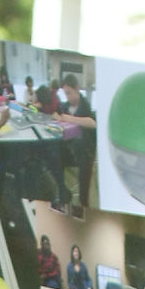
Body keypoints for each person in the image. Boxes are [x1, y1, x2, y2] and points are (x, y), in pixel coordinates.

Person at [57, 75, 98, 212]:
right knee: (54, 157)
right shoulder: (65, 106)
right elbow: (58, 116)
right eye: (65, 94)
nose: (67, 97)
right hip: (70, 148)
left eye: (69, 93)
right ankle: (64, 195)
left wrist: (70, 118)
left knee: (84, 188)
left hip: (85, 151)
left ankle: (83, 205)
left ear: (77, 89)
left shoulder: (85, 105)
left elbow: (92, 123)